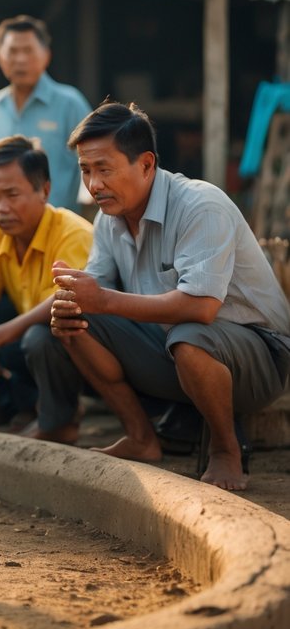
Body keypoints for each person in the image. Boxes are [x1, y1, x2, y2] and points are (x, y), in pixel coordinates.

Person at [49, 102, 290, 490]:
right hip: (174, 349)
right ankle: (141, 437)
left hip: (261, 357)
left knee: (190, 336)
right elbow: (92, 297)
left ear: (146, 165)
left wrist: (103, 300)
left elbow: (201, 307)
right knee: (73, 319)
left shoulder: (200, 205)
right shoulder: (109, 220)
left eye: (104, 169)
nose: (94, 185)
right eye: (86, 170)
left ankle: (226, 450)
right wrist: (72, 300)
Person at [0, 136, 93, 442]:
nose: (1, 208)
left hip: (90, 341)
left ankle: (62, 421)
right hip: (32, 334)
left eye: (12, 194)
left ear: (44, 190)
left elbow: (63, 299)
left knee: (39, 337)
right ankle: (31, 406)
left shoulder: (72, 232)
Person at [0, 15, 92, 212]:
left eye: (28, 50)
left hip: (58, 228)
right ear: (0, 56)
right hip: (2, 225)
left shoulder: (70, 103)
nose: (20, 59)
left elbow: (93, 163)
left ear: (46, 55)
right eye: (12, 51)